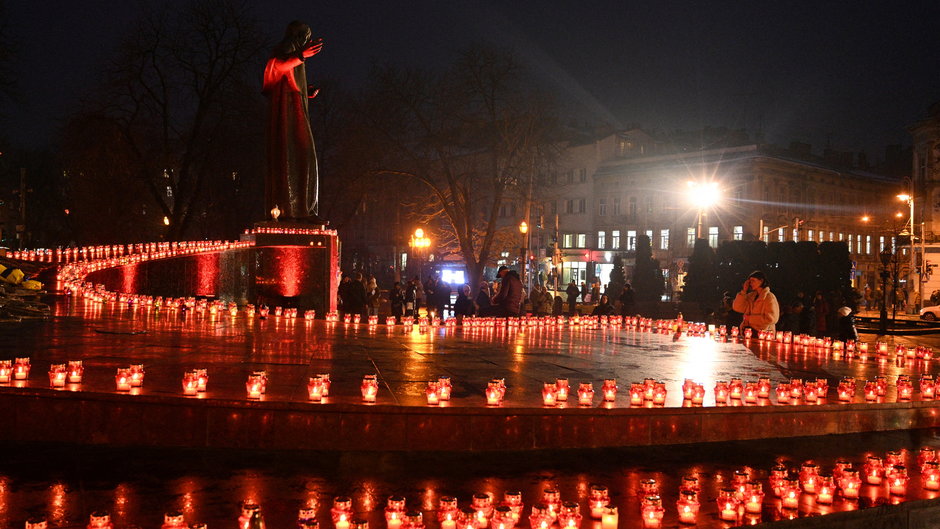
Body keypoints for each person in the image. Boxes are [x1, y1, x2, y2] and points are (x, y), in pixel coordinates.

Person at [262, 21, 324, 221]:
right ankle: (295, 209)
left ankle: (303, 208)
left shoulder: (293, 51)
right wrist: (301, 55)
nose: (305, 41)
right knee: (297, 153)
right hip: (288, 112)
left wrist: (307, 92)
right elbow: (278, 66)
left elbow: (292, 80)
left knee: (304, 155)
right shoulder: (287, 47)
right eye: (304, 37)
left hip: (294, 107)